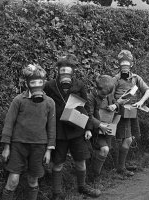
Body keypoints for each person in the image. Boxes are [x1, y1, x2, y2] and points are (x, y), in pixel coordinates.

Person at [44, 54, 101, 199]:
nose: (65, 74)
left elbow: (86, 107)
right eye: (62, 71)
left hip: (77, 129)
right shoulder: (49, 86)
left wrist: (88, 128)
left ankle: (82, 187)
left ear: (72, 72)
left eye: (68, 71)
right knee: (58, 163)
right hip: (59, 131)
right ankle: (57, 193)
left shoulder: (79, 85)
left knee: (80, 162)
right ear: (58, 70)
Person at [1, 64, 56, 200]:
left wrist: (49, 150)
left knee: (33, 179)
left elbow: (51, 127)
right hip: (18, 145)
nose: (37, 85)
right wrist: (6, 147)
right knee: (13, 180)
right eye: (33, 82)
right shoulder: (19, 100)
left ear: (44, 82)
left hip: (39, 146)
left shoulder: (49, 103)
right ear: (27, 84)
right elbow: (9, 123)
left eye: (40, 82)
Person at [113, 50, 149, 176]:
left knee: (132, 137)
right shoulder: (115, 79)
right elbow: (109, 96)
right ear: (119, 64)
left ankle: (123, 163)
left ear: (131, 64)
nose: (125, 66)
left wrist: (141, 102)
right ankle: (121, 168)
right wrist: (116, 103)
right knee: (127, 139)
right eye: (122, 63)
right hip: (121, 113)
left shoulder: (136, 78)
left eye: (127, 63)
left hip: (133, 112)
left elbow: (148, 91)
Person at [87, 75, 119, 186]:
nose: (105, 96)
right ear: (97, 88)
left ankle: (95, 174)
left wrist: (115, 105)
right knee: (103, 149)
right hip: (96, 130)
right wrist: (100, 125)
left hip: (107, 129)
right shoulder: (90, 97)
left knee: (104, 151)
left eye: (107, 94)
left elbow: (116, 103)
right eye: (103, 94)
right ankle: (94, 178)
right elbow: (88, 116)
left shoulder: (108, 94)